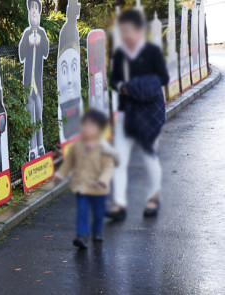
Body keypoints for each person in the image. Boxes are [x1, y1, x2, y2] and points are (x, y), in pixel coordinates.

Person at [106, 9, 169, 221]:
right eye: (122, 31)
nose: (125, 35)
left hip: (149, 114)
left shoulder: (151, 52)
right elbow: (113, 80)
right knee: (120, 160)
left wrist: (136, 87)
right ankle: (119, 205)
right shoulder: (120, 54)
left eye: (128, 31)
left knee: (149, 156)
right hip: (126, 112)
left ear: (139, 30)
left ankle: (153, 198)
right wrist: (123, 86)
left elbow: (163, 77)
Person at [56, 110, 118, 249]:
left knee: (98, 212)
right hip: (81, 186)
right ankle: (82, 236)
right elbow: (69, 162)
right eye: (85, 125)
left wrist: (104, 179)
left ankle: (97, 231)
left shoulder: (104, 148)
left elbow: (109, 166)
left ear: (99, 130)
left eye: (91, 126)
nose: (86, 128)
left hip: (98, 188)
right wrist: (61, 174)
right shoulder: (77, 145)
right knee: (82, 211)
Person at [19, 0, 50, 161]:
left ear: (39, 12)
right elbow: (21, 55)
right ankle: (32, 149)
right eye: (32, 9)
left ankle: (40, 146)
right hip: (28, 85)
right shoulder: (26, 34)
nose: (34, 11)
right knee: (30, 113)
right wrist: (28, 43)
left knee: (39, 113)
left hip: (38, 84)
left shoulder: (43, 33)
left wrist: (40, 41)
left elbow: (46, 51)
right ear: (29, 12)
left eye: (36, 9)